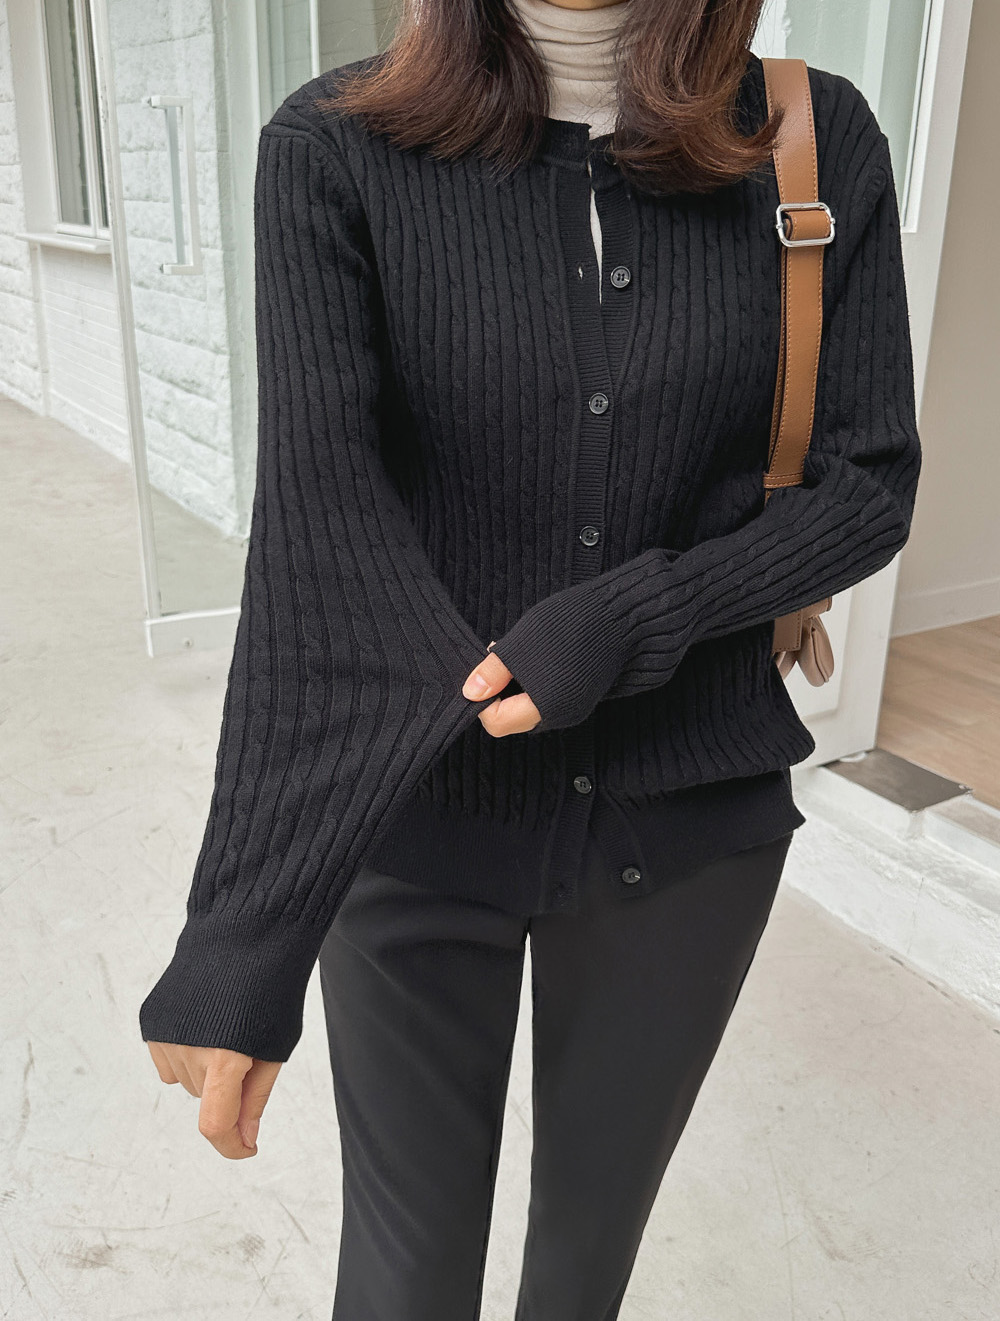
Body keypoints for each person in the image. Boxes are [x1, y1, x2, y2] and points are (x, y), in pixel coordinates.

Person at [139, 0, 922, 1316]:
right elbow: (316, 553)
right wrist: (239, 934)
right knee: (404, 1278)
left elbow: (867, 486)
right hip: (418, 815)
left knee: (582, 1269)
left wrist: (635, 617)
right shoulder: (334, 150)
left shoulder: (810, 136)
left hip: (688, 826)